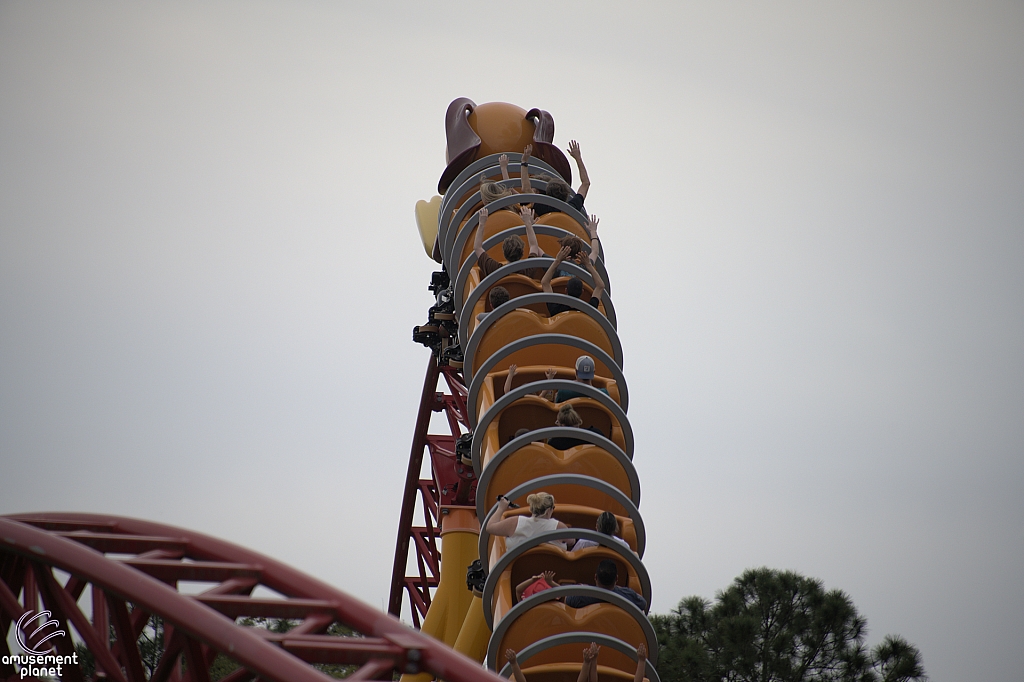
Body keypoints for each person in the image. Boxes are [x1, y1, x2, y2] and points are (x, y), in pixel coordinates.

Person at [473, 206, 545, 279]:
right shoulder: (528, 269)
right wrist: (528, 223)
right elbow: (533, 245)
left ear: (504, 252)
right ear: (522, 252)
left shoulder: (495, 269)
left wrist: (482, 223)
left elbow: (477, 247)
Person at [486, 492, 572, 551]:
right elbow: (572, 542)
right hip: (551, 572)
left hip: (518, 571)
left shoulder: (514, 522)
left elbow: (490, 527)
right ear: (549, 510)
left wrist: (501, 508)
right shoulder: (558, 526)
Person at [540, 243, 606, 316]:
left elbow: (545, 282)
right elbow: (600, 286)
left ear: (566, 290)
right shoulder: (588, 310)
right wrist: (588, 265)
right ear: (582, 292)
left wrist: (557, 260)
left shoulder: (555, 309)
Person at [530, 140, 591, 218]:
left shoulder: (539, 206)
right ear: (566, 194)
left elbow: (526, 192)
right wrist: (578, 158)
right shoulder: (571, 207)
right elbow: (586, 183)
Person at [564, 559, 647, 612]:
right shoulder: (627, 596)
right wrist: (620, 590)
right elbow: (642, 603)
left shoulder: (582, 596)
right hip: (617, 637)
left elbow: (567, 600)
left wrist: (583, 588)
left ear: (595, 577)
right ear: (616, 579)